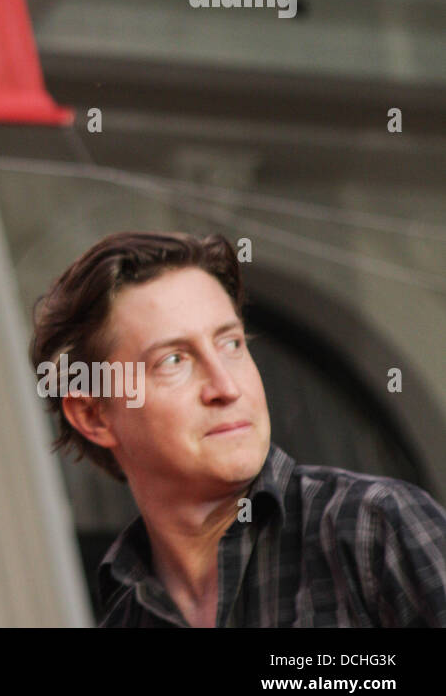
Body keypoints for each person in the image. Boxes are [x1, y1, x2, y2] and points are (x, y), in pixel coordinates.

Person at [28, 230, 446, 627]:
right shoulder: (124, 618)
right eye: (174, 360)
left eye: (231, 344)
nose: (226, 387)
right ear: (94, 415)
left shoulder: (374, 527)